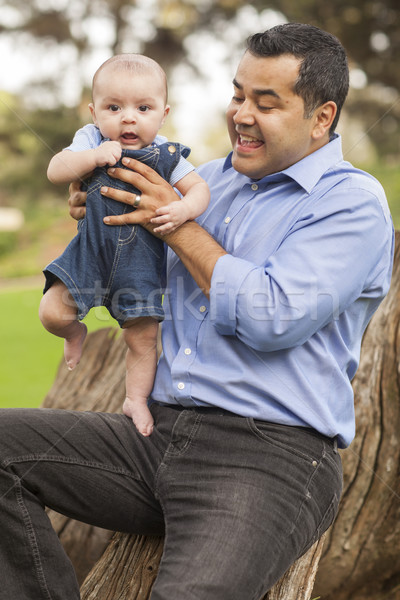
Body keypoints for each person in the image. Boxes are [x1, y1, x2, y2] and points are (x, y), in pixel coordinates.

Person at [0, 22, 394, 600]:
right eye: (238, 94)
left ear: (321, 117)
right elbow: (131, 280)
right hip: (155, 435)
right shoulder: (206, 181)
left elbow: (271, 316)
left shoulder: (352, 204)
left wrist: (176, 224)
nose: (242, 114)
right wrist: (100, 219)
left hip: (269, 456)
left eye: (266, 102)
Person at [39, 54, 210, 436]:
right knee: (52, 312)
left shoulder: (168, 155)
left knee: (143, 338)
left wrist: (183, 210)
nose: (128, 117)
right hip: (90, 254)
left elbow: (199, 190)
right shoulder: (91, 140)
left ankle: (135, 399)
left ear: (163, 114)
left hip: (140, 263)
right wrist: (92, 158)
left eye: (142, 108)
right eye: (113, 107)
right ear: (94, 111)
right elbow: (55, 170)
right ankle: (74, 333)